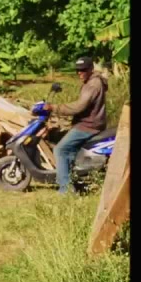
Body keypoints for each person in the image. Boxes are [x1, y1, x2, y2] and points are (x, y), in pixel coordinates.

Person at [43, 56, 108, 194]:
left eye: (83, 70)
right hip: (88, 123)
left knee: (60, 150)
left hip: (89, 125)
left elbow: (79, 106)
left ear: (91, 69)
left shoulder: (93, 84)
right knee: (69, 151)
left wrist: (55, 108)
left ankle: (65, 190)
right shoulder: (92, 81)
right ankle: (74, 182)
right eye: (77, 70)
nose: (80, 73)